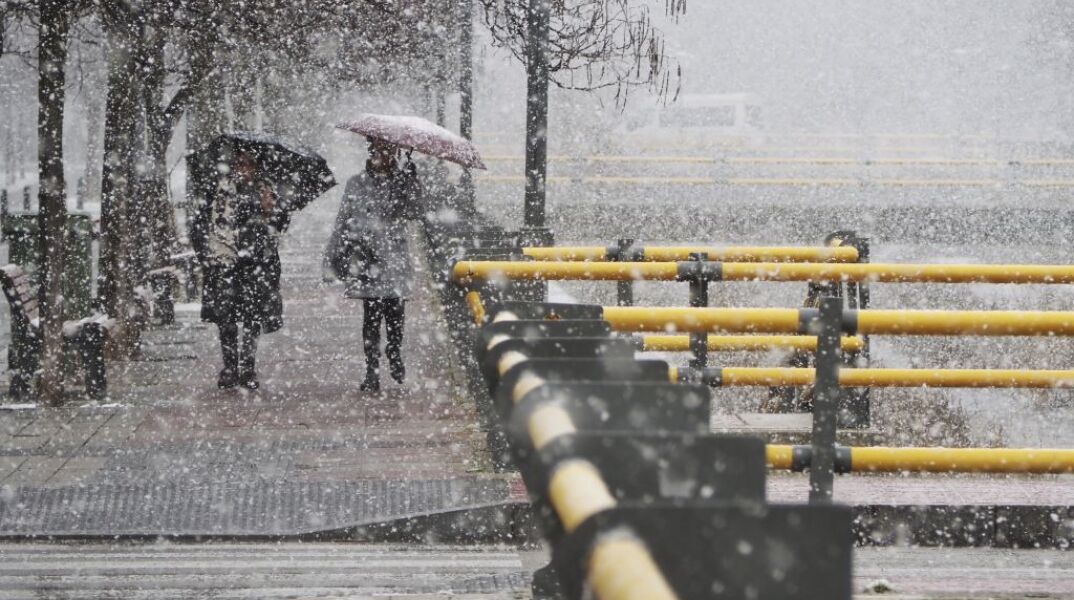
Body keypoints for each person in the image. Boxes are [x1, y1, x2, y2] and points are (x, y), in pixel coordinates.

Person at [327, 138, 422, 392]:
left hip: (395, 259)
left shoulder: (401, 183)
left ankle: (394, 352)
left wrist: (411, 182)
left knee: (395, 315)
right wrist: (333, 257)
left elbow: (415, 212)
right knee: (371, 317)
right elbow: (343, 220)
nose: (382, 155)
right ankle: (372, 369)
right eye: (378, 150)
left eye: (388, 151)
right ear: (371, 152)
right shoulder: (356, 183)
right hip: (367, 259)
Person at [191, 148, 285, 390]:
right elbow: (200, 223)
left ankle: (248, 366)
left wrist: (271, 210)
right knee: (226, 318)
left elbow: (280, 225)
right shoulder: (219, 189)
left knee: (253, 318)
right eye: (238, 163)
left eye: (248, 163)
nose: (243, 168)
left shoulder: (267, 189)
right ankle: (230, 366)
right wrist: (205, 254)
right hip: (225, 261)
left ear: (257, 166)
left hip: (256, 264)